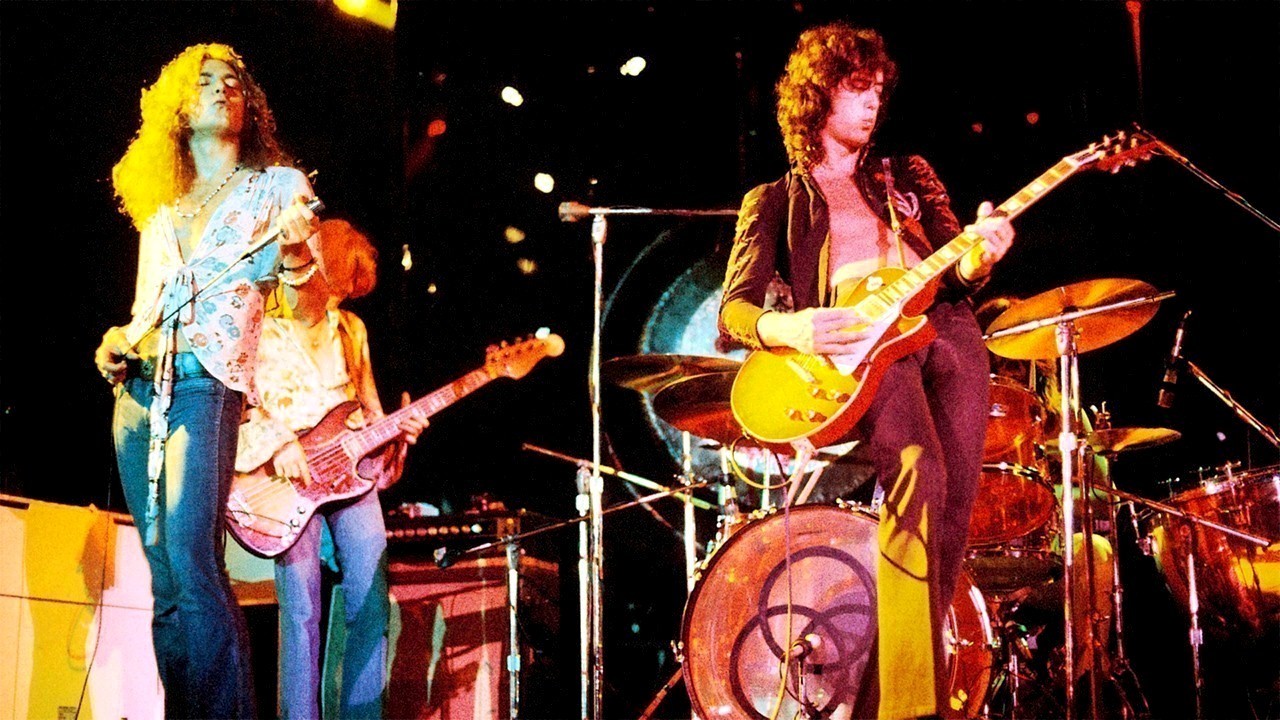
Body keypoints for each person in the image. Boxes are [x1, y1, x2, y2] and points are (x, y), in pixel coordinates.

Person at [719, 23, 1015, 720]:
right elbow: (735, 309)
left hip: (946, 330)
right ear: (817, 97)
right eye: (857, 88)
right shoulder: (776, 200)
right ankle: (912, 710)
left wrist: (981, 256)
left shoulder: (906, 175)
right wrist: (790, 326)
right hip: (866, 350)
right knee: (919, 472)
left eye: (878, 89)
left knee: (952, 511)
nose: (873, 101)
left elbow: (956, 263)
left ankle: (893, 698)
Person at [92, 43, 319, 718]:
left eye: (233, 83)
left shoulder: (277, 187)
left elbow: (305, 299)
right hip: (139, 391)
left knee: (193, 562)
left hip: (205, 385)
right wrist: (116, 341)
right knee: (164, 579)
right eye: (205, 82)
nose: (222, 90)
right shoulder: (161, 201)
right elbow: (146, 306)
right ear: (178, 108)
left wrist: (295, 252)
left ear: (250, 107)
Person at [235, 218, 429, 718]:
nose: (338, 300)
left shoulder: (351, 329)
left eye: (347, 292)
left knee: (371, 600)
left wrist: (398, 435)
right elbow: (239, 402)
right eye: (336, 287)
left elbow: (370, 411)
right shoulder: (261, 321)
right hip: (285, 479)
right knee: (301, 612)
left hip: (349, 475)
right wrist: (278, 441)